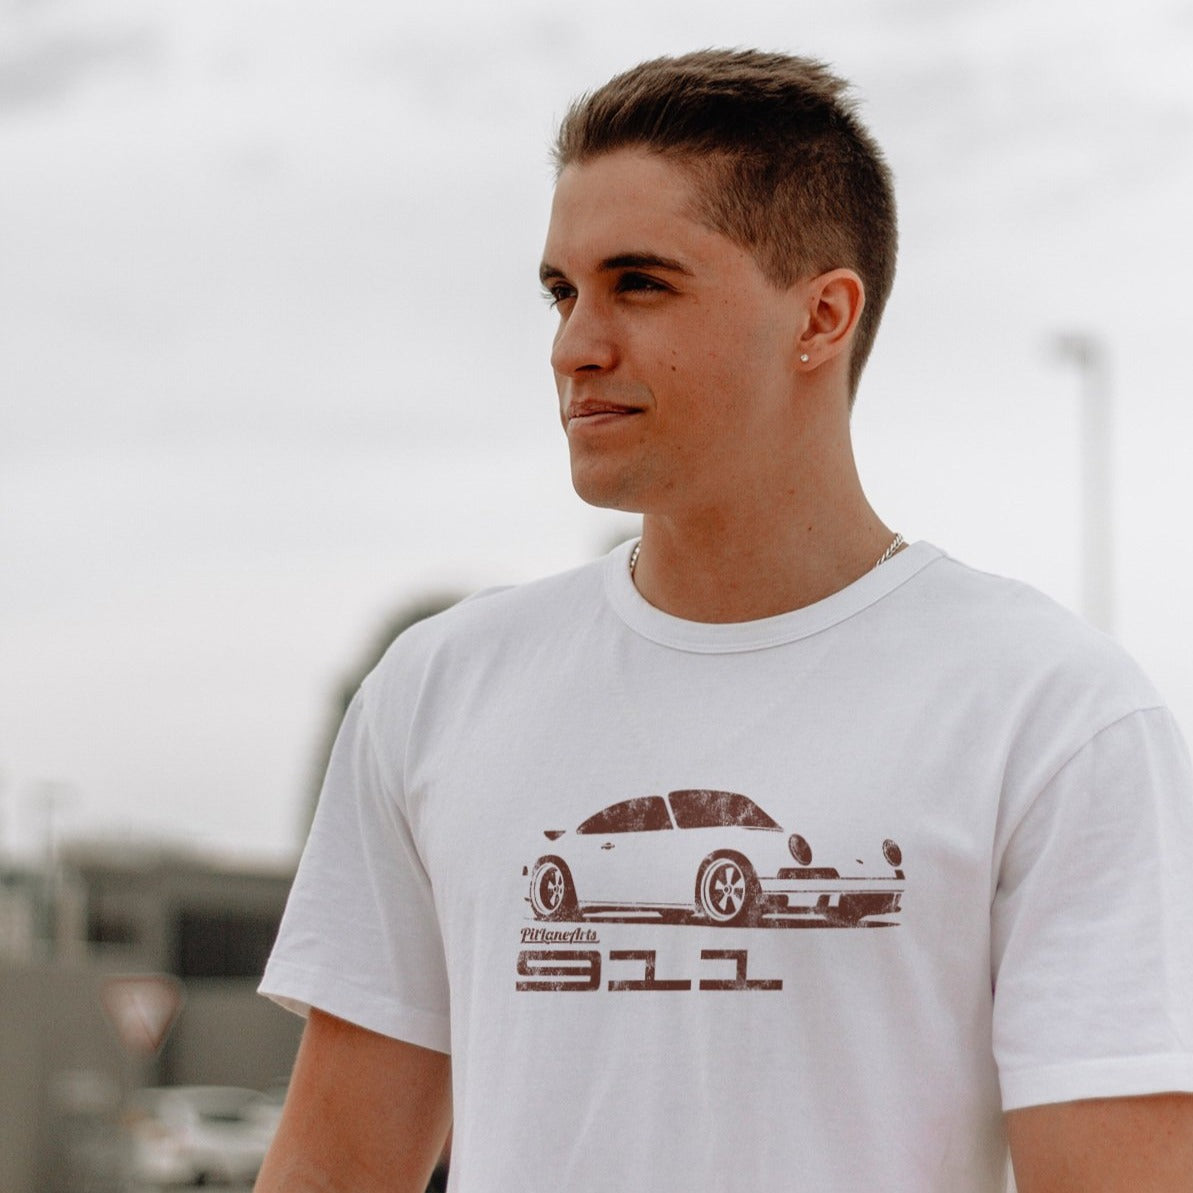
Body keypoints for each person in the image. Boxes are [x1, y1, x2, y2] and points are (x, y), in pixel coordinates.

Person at [255, 49, 1193, 1192]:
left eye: (638, 283)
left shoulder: (1046, 709)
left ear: (821, 315)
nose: (573, 345)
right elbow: (333, 1165)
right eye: (562, 290)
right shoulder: (439, 688)